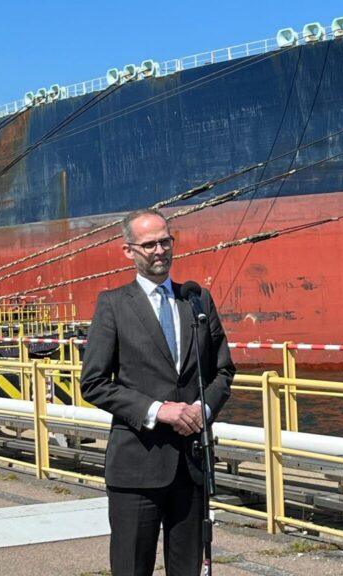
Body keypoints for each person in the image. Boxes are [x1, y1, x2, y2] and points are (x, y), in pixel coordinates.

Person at [81, 208, 235, 576]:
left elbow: (224, 370)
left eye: (165, 241)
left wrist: (203, 410)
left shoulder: (197, 300)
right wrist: (156, 410)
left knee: (187, 570)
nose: (159, 250)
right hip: (136, 466)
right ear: (128, 251)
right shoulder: (113, 305)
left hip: (191, 465)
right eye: (149, 244)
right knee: (132, 568)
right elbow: (94, 383)